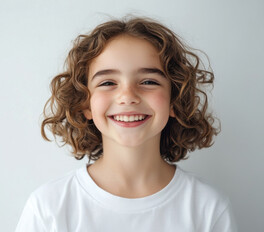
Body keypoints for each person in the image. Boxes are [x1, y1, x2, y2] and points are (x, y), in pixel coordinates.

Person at [15, 16, 237, 231]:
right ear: (85, 103)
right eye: (108, 82)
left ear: (174, 100)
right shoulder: (48, 209)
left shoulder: (209, 209)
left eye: (149, 81)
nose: (127, 96)